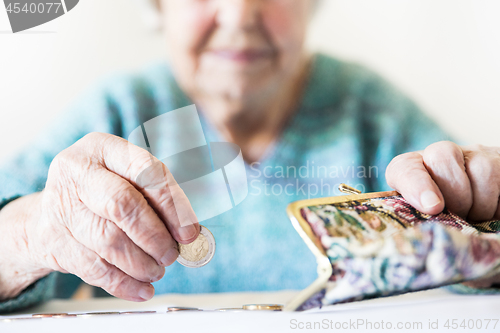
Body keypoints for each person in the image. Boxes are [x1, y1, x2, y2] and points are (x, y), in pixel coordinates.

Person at [0, 0, 499, 313]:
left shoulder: (375, 115)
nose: (239, 14)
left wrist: (486, 221)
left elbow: (481, 239)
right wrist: (29, 234)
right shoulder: (117, 110)